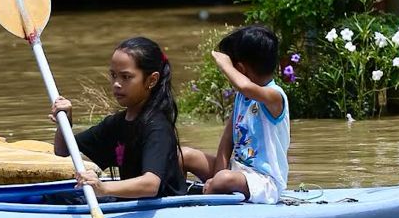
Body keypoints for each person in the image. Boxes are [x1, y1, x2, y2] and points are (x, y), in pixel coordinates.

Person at [50, 36, 185, 199]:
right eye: (113, 75)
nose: (116, 84)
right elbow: (63, 150)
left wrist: (103, 188)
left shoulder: (157, 126)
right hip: (131, 203)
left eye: (126, 77)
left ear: (152, 80)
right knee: (53, 197)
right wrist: (64, 122)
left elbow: (151, 185)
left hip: (164, 207)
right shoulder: (116, 124)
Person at [181, 25, 290, 204]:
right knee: (184, 155)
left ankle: (204, 210)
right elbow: (227, 140)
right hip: (234, 171)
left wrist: (224, 64)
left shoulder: (274, 96)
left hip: (264, 182)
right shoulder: (242, 97)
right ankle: (174, 202)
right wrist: (215, 177)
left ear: (240, 69)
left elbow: (245, 86)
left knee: (224, 179)